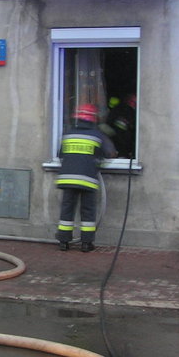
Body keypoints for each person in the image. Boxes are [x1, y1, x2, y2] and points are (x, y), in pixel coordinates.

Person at [55, 103, 116, 252]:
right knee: (87, 210)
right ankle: (86, 244)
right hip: (87, 179)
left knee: (67, 210)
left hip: (67, 179)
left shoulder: (68, 134)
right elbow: (109, 153)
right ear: (93, 119)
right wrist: (97, 161)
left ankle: (63, 242)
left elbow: (60, 155)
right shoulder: (97, 135)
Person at [99, 93, 136, 158]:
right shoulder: (126, 112)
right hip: (120, 148)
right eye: (133, 102)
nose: (135, 104)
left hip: (119, 148)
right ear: (128, 101)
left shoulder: (124, 111)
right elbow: (120, 133)